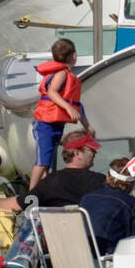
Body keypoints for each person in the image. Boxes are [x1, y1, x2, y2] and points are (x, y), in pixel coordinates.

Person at [29, 37, 93, 188]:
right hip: (45, 124)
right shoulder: (61, 74)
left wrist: (86, 125)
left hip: (56, 124)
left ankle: (41, 191)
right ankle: (29, 195)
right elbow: (52, 92)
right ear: (74, 56)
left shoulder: (68, 76)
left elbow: (77, 105)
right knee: (42, 161)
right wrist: (68, 108)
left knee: (48, 162)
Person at [0, 134, 107, 214]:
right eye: (90, 150)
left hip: (57, 239)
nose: (94, 152)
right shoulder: (101, 182)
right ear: (77, 154)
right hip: (94, 240)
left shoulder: (52, 182)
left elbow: (21, 203)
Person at [79, 158, 135, 255]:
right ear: (132, 184)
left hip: (83, 258)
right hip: (108, 261)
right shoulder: (130, 205)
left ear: (108, 176)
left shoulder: (87, 198)